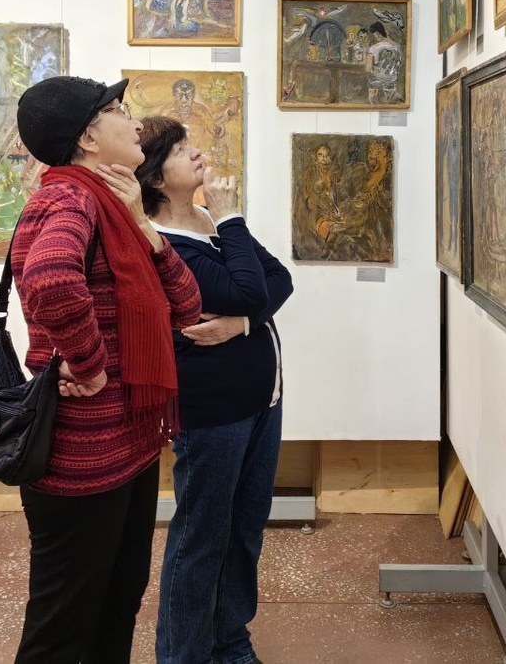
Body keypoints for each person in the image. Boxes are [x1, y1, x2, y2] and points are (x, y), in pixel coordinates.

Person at [11, 77, 203, 664]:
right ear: (88, 138)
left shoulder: (114, 207)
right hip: (81, 455)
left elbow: (186, 305)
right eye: (119, 110)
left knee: (117, 603)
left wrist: (144, 227)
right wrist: (89, 365)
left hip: (129, 443)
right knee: (64, 625)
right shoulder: (69, 199)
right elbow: (50, 279)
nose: (136, 122)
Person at [136, 116, 293, 664]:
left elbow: (279, 280)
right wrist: (230, 218)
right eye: (181, 148)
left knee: (244, 529)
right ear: (158, 178)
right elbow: (252, 289)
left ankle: (230, 641)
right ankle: (182, 655)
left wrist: (243, 324)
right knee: (201, 537)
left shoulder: (205, 221)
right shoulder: (165, 243)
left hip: (261, 400)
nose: (196, 151)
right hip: (213, 411)